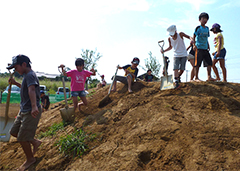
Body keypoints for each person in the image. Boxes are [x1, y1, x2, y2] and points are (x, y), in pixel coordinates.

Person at [7, 54, 42, 171]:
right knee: (14, 132)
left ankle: (30, 159)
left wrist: (33, 107)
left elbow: (32, 90)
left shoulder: (31, 75)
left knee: (22, 138)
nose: (15, 70)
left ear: (23, 64)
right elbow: (26, 88)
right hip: (24, 110)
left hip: (30, 111)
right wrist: (16, 83)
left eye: (16, 67)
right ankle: (34, 141)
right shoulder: (27, 75)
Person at [192, 12, 216, 82]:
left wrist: (208, 45)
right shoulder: (198, 28)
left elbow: (206, 37)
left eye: (206, 19)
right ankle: (196, 77)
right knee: (197, 63)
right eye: (203, 18)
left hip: (205, 48)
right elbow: (194, 36)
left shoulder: (207, 29)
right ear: (200, 19)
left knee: (209, 62)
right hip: (199, 48)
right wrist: (194, 45)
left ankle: (209, 76)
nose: (205, 20)